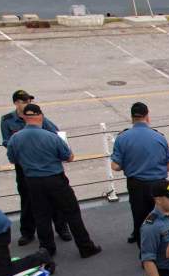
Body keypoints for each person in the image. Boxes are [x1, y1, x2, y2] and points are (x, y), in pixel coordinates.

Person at [6, 103, 102, 259]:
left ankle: (47, 249)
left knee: (41, 216)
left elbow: (13, 159)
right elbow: (69, 157)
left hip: (32, 181)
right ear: (40, 116)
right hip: (55, 180)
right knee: (72, 212)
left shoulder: (15, 139)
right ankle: (85, 247)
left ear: (24, 118)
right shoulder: (51, 137)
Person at [0, 90, 70, 247]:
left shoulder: (39, 118)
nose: (27, 103)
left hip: (45, 162)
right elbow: (7, 142)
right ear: (17, 103)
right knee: (27, 199)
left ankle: (62, 228)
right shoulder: (7, 120)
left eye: (29, 100)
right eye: (24, 101)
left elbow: (55, 133)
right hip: (25, 166)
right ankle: (28, 232)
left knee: (55, 199)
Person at [111, 102, 169, 245]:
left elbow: (115, 166)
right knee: (161, 214)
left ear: (132, 118)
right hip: (158, 184)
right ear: (147, 116)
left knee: (139, 215)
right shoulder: (159, 137)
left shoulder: (122, 138)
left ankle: (143, 246)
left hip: (136, 184)